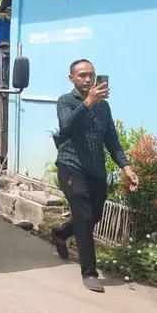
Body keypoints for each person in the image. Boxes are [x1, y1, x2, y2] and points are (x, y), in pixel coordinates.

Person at [50, 59, 139, 293]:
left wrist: (126, 167)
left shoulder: (103, 106)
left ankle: (60, 233)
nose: (87, 79)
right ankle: (89, 272)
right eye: (82, 75)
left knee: (93, 216)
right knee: (84, 216)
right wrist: (88, 103)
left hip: (95, 168)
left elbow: (111, 137)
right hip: (71, 166)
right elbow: (67, 127)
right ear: (72, 78)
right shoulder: (65, 101)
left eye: (91, 74)